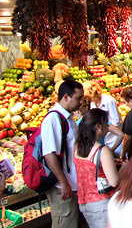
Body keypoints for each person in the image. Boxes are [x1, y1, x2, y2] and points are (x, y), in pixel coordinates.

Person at [41, 80, 84, 228]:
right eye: (78, 98)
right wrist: (63, 182)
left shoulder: (69, 118)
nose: (81, 102)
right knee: (65, 222)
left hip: (72, 184)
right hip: (62, 187)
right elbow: (49, 154)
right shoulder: (53, 119)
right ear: (66, 97)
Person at [74, 109, 123, 228]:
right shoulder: (101, 150)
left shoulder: (77, 146)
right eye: (106, 123)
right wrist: (125, 168)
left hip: (85, 203)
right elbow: (114, 181)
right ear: (98, 127)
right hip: (101, 203)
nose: (108, 127)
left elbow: (89, 167)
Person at [83, 81, 123, 152]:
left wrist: (105, 128)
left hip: (114, 138)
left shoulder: (108, 100)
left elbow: (116, 120)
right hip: (103, 138)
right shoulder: (92, 104)